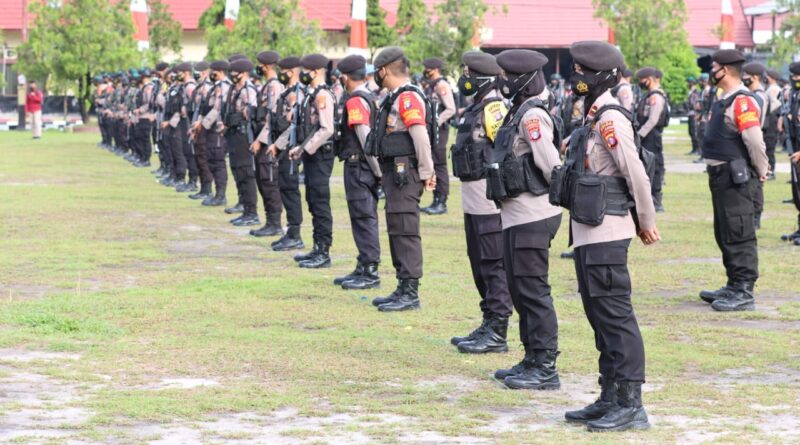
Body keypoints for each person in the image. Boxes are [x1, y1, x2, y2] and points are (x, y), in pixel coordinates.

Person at [557, 41, 659, 432]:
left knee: (615, 316)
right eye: (576, 69)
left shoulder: (610, 119)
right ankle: (610, 396)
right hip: (588, 229)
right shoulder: (592, 116)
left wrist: (645, 220)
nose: (576, 76)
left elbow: (635, 174)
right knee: (598, 314)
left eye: (583, 70)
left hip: (608, 229)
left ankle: (632, 404)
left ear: (603, 76)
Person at [486, 49, 563, 386]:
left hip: (533, 214)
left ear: (525, 79)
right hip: (517, 215)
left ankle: (545, 366)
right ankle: (531, 356)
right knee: (520, 291)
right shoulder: (517, 111)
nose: (503, 81)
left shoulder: (532, 116)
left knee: (533, 291)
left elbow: (550, 164)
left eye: (509, 76)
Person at [448, 51, 512, 354]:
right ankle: (488, 320)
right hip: (472, 195)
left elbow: (505, 151)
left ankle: (498, 329)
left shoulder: (494, 108)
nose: (465, 78)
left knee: (492, 262)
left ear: (484, 79)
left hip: (487, 197)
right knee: (478, 260)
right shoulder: (476, 106)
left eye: (469, 74)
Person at [698, 49, 769, 312]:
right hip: (721, 177)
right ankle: (733, 283)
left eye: (714, 67)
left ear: (725, 70)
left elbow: (754, 140)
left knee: (739, 232)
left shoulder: (742, 101)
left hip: (735, 177)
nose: (711, 71)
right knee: (725, 231)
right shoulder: (724, 99)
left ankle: (744, 290)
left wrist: (761, 169)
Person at [367, 47, 435, 312]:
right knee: (397, 227)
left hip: (406, 174)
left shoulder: (407, 97)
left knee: (405, 230)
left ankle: (410, 292)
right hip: (396, 175)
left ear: (384, 70)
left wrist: (427, 173)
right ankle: (402, 285)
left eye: (376, 71)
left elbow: (420, 136)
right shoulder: (395, 96)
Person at [275, 54, 337, 269]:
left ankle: (324, 251)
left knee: (320, 203)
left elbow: (327, 129)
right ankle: (317, 248)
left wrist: (304, 148)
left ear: (316, 71)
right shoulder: (311, 94)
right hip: (311, 154)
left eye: (305, 70)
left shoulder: (322, 95)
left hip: (320, 155)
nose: (301, 74)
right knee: (312, 200)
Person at [331, 54, 383, 290]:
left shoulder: (355, 101)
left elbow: (365, 139)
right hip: (362, 166)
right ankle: (363, 264)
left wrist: (378, 172)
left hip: (359, 166)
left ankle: (370, 270)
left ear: (345, 77)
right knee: (361, 216)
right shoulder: (368, 97)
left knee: (364, 218)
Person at [267, 56, 306, 252]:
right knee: (284, 188)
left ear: (291, 72)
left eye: (283, 71)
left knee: (290, 190)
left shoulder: (296, 94)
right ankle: (291, 232)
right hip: (282, 147)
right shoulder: (287, 92)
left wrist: (278, 145)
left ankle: (295, 235)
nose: (280, 74)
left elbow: (293, 126)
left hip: (289, 148)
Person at [249, 51, 286, 238]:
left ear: (267, 66)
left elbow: (271, 118)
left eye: (260, 64)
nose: (259, 67)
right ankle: (269, 221)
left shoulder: (274, 86)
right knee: (262, 180)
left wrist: (260, 140)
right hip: (261, 138)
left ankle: (275, 223)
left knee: (269, 181)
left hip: (268, 140)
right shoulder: (267, 85)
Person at [222, 57, 260, 227]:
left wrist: (238, 116)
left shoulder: (248, 90)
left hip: (244, 135)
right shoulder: (234, 88)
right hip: (234, 134)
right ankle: (245, 208)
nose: (232, 74)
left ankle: (252, 213)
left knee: (246, 173)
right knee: (237, 171)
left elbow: (252, 112)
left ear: (244, 73)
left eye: (235, 72)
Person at [420, 57, 456, 215]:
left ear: (434, 69)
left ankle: (441, 202)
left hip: (439, 131)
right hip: (433, 131)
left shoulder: (441, 85)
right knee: (434, 164)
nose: (425, 71)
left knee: (439, 165)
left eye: (427, 68)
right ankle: (436, 200)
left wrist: (436, 122)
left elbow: (451, 109)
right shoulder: (432, 85)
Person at [199, 60, 232, 207]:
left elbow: (217, 109)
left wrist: (203, 124)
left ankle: (220, 195)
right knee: (211, 160)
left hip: (218, 128)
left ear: (221, 71)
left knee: (218, 161)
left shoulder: (224, 86)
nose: (211, 74)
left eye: (214, 71)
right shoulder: (216, 86)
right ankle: (217, 193)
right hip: (211, 127)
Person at [743, 62, 771, 230]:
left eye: (746, 75)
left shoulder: (759, 96)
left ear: (754, 77)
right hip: (752, 139)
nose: (743, 78)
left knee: (756, 182)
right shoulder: (752, 95)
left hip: (756, 139)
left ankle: (756, 217)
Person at [635, 67, 668, 212]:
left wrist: (639, 135)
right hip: (647, 136)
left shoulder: (656, 97)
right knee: (645, 167)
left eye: (641, 80)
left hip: (651, 137)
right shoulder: (649, 95)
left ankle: (656, 201)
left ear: (649, 79)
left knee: (654, 168)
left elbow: (653, 120)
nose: (640, 82)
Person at [187, 61, 215, 201]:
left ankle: (207, 189)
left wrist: (200, 123)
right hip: (197, 125)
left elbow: (208, 110)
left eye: (198, 71)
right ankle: (203, 188)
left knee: (203, 158)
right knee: (198, 157)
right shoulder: (200, 87)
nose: (195, 74)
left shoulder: (208, 87)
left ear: (204, 72)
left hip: (205, 127)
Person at [781, 62, 800, 245]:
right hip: (795, 148)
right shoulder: (794, 95)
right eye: (793, 76)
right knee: (798, 192)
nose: (795, 79)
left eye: (797, 76)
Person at [131, 68, 155, 168]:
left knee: (145, 138)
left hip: (146, 116)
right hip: (140, 117)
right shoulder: (144, 87)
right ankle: (142, 157)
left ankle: (146, 159)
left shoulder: (149, 87)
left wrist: (140, 110)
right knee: (139, 137)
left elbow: (150, 103)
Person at [764, 69, 783, 180]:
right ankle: (768, 170)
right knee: (767, 147)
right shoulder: (770, 88)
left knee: (769, 147)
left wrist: (765, 112)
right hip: (770, 120)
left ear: (771, 78)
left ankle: (771, 172)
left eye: (767, 76)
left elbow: (775, 104)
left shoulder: (774, 89)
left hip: (772, 120)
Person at [686, 77, 701, 155]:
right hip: (690, 113)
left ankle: (698, 149)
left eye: (688, 82)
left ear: (692, 83)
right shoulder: (690, 92)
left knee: (695, 132)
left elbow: (695, 104)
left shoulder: (696, 92)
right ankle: (694, 148)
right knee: (691, 132)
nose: (687, 84)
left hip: (694, 114)